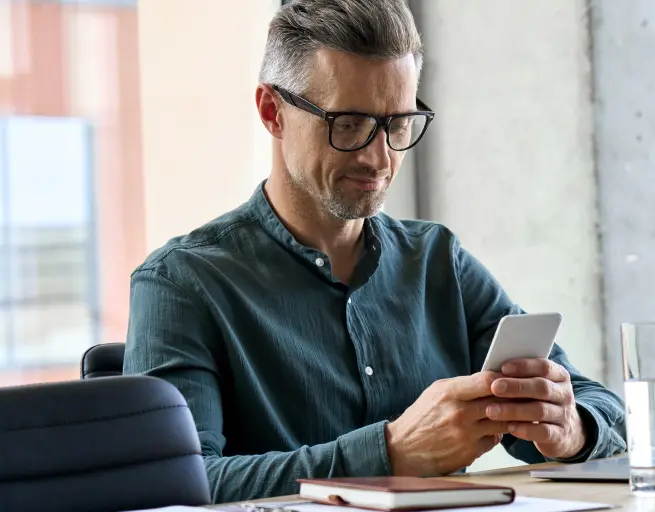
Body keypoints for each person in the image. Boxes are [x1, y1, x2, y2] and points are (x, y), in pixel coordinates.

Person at [123, 0, 626, 503]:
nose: (379, 157)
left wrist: (568, 428)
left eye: (398, 124)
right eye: (348, 124)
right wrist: (389, 454)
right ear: (272, 112)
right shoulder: (182, 283)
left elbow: (604, 410)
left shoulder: (437, 261)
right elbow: (175, 485)